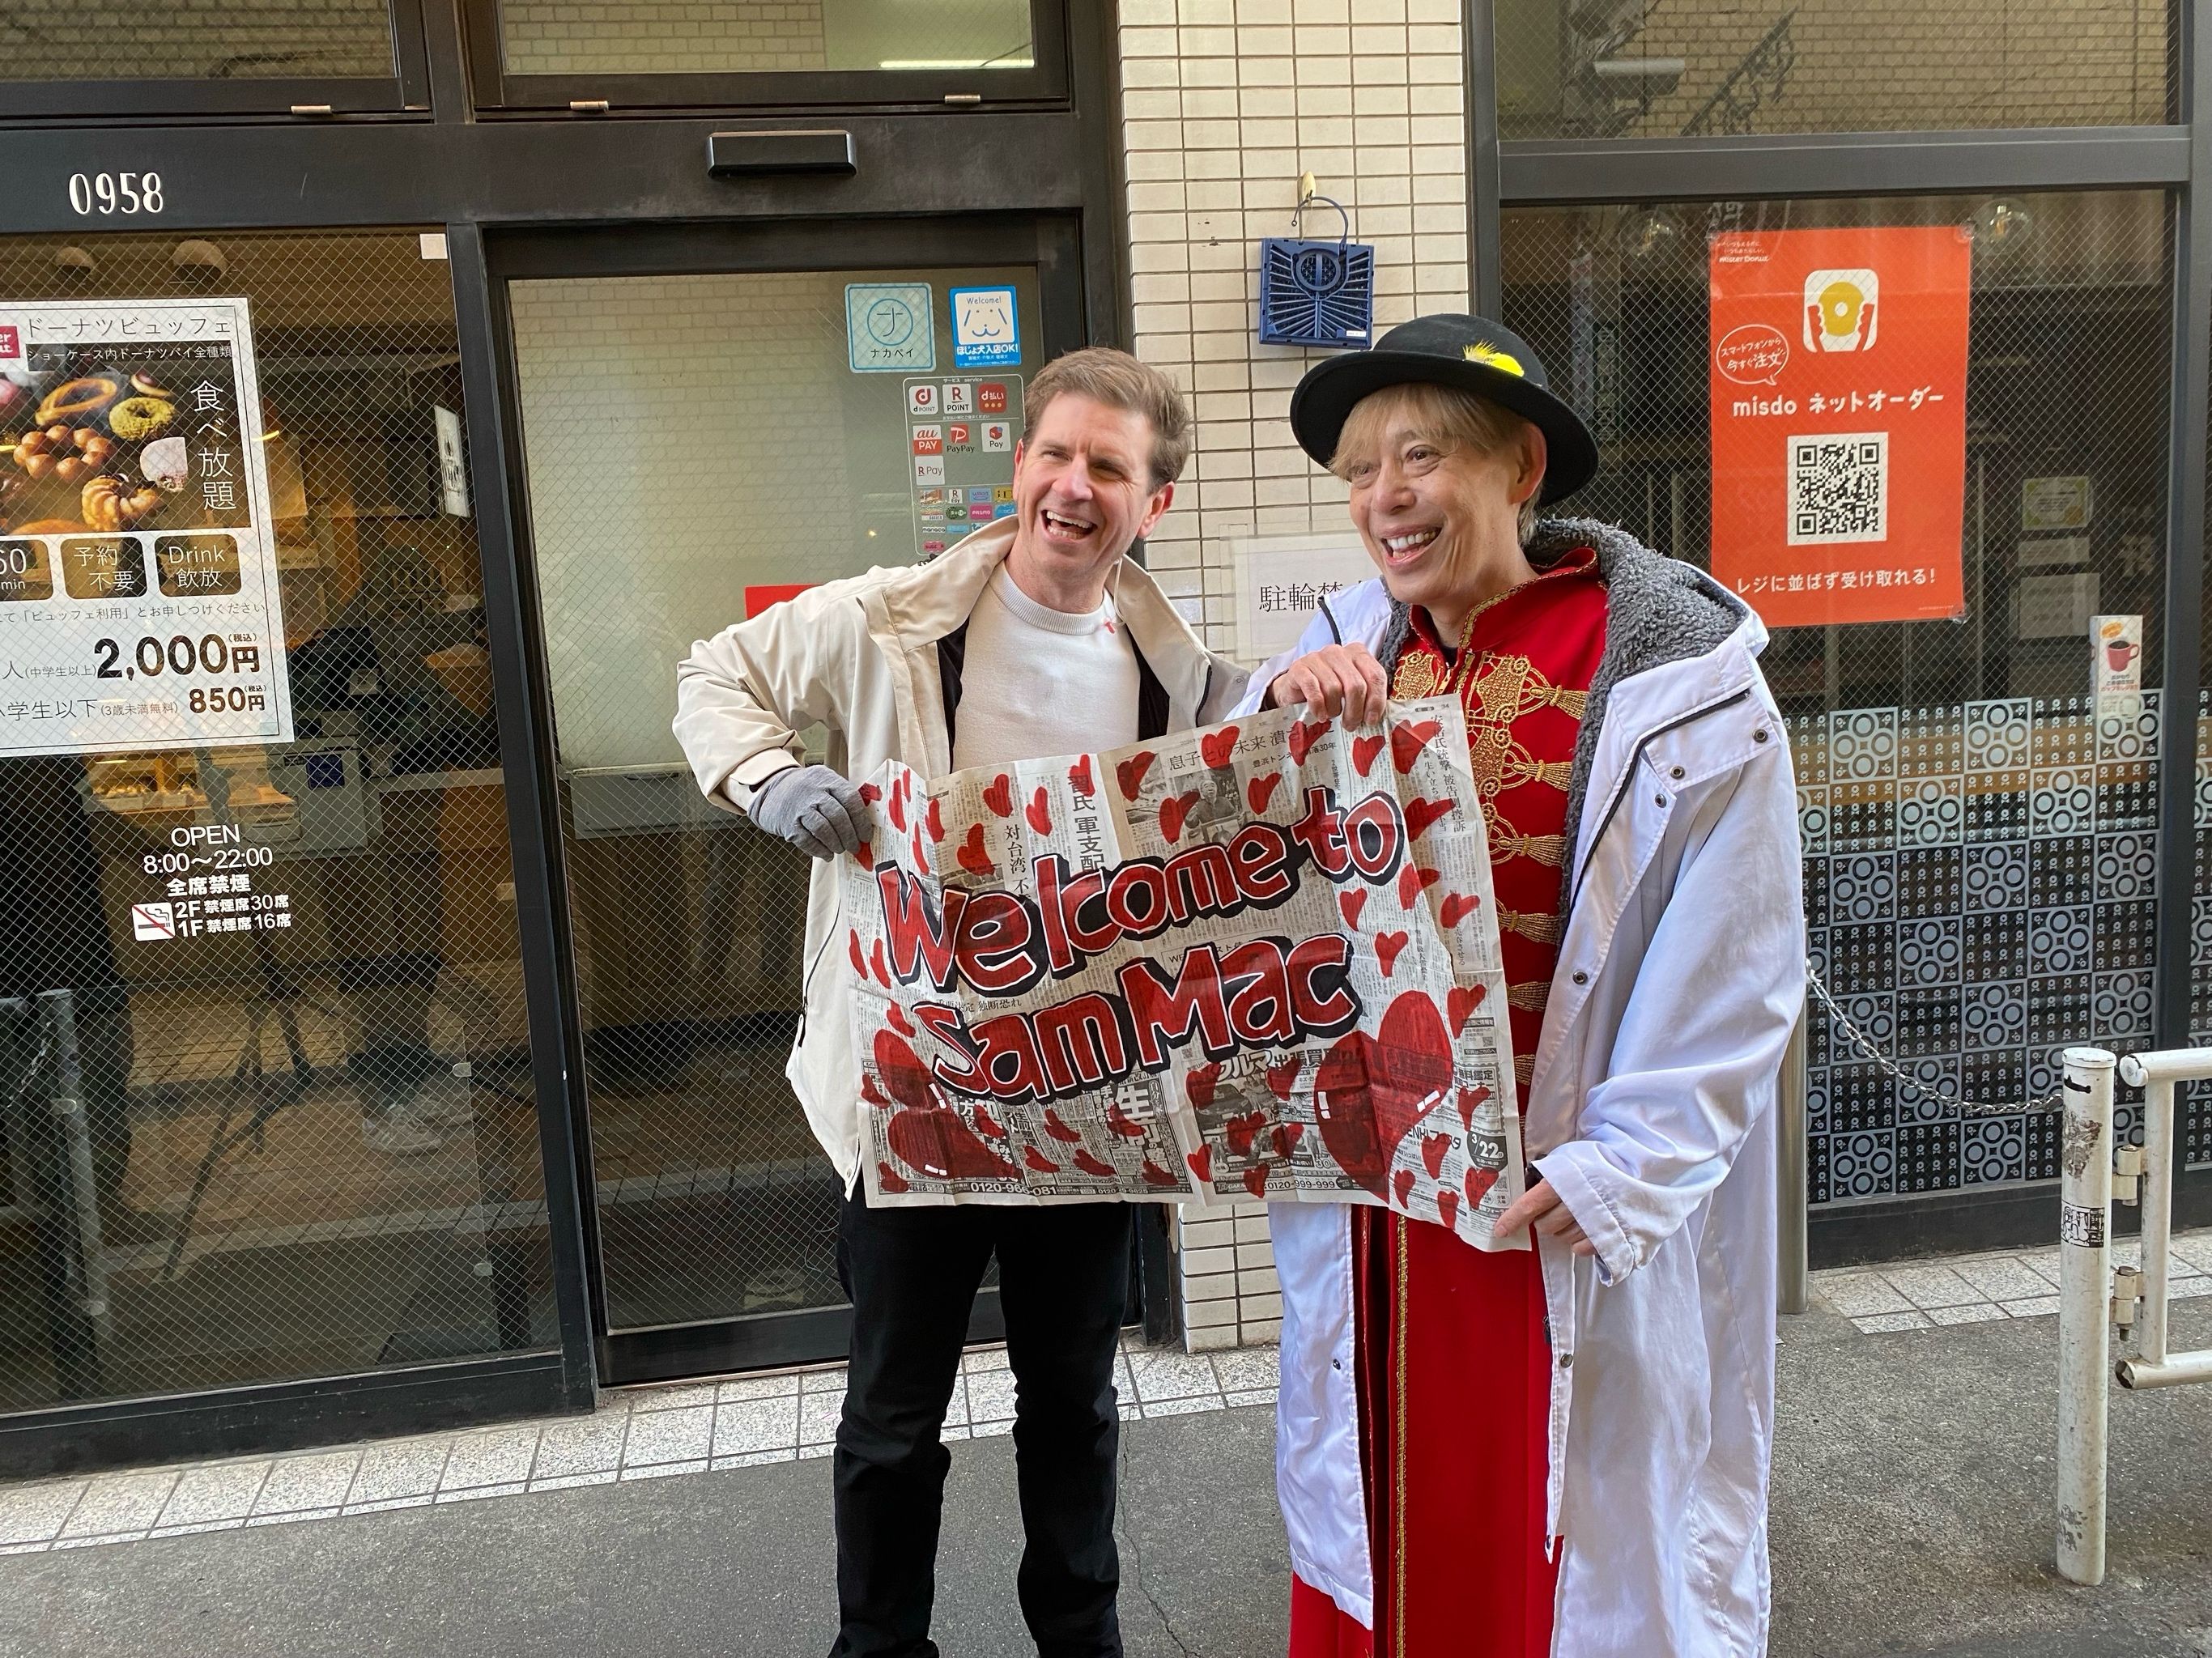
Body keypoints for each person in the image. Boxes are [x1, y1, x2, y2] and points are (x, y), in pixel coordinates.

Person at [1237, 315, 1805, 1658]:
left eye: (1420, 457)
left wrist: (1626, 1168)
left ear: (1521, 469)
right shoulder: (1343, 656)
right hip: (1383, 1210)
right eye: (1362, 471)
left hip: (1555, 1201)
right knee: (1384, 1523)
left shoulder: (1681, 679)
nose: (1385, 497)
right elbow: (1243, 914)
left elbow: (1741, 962)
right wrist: (1273, 735)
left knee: (1553, 1547)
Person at [672, 346, 1247, 1658]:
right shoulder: (892, 620)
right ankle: (880, 1647)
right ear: (1020, 464)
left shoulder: (1177, 671)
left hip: (1086, 1092)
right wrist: (769, 778)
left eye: (1110, 467)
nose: (1074, 486)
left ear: (1154, 500)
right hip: (914, 1086)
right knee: (893, 1414)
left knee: (1074, 1405)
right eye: (1057, 453)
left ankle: (1081, 1638)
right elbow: (715, 673)